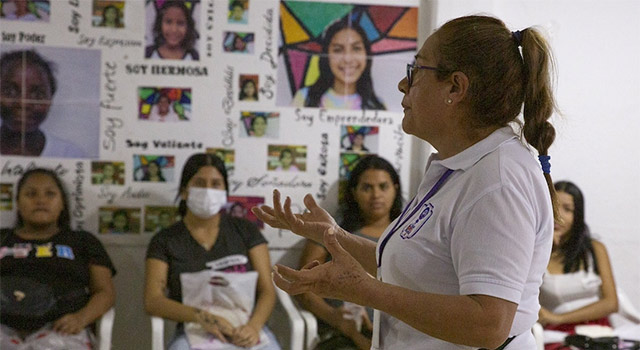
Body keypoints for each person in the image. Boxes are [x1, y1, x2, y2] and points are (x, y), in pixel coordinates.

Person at [254, 15, 559, 349]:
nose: (403, 84)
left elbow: (488, 323)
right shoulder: (458, 166)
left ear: (455, 87)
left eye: (416, 71)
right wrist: (333, 237)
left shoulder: (498, 180)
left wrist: (362, 290)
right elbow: (416, 267)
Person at [144, 153, 281, 350]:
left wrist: (254, 326)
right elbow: (153, 301)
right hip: (195, 331)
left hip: (246, 329)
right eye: (199, 183)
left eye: (216, 184)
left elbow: (267, 290)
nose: (208, 190)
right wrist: (203, 318)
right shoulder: (165, 240)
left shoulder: (246, 231)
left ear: (225, 191)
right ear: (184, 191)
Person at [0, 168, 116, 349]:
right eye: (31, 194)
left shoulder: (83, 242)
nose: (40, 200)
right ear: (18, 203)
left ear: (62, 203)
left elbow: (104, 293)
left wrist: (81, 318)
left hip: (61, 331)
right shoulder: (2, 239)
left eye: (50, 194)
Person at [298, 155, 401, 350]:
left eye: (383, 186)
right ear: (353, 192)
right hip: (341, 336)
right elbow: (304, 285)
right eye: (367, 187)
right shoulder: (331, 231)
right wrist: (337, 319)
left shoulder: (408, 235)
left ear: (395, 188)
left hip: (398, 335)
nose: (376, 195)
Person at [538, 181, 618, 350]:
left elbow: (611, 303)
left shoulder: (594, 249)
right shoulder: (535, 251)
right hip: (555, 335)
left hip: (596, 331)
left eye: (567, 209)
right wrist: (542, 243)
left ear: (578, 215)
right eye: (554, 206)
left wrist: (558, 318)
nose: (558, 215)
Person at [0, 50, 85, 158]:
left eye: (38, 95)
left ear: (50, 100)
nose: (23, 103)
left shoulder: (70, 154)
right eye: (9, 92)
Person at [291, 18, 385, 110]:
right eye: (338, 50)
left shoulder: (377, 107)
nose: (347, 59)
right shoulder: (304, 99)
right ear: (326, 56)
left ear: (366, 54)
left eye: (356, 48)